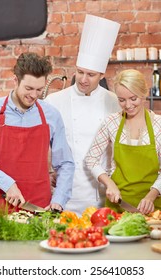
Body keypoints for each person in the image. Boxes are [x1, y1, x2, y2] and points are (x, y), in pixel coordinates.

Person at [0, 52, 75, 216]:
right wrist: (6, 183)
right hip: (1, 206)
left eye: (39, 90)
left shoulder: (51, 115)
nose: (33, 95)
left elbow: (66, 163)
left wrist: (58, 200)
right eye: (29, 88)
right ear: (15, 80)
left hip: (40, 208)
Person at [45, 14, 121, 216]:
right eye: (80, 72)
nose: (83, 79)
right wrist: (48, 171)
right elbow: (43, 143)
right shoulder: (54, 101)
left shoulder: (114, 101)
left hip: (101, 192)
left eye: (91, 74)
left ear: (102, 75)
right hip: (65, 192)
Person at [85, 69, 161, 215]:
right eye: (122, 100)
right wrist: (110, 184)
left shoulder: (159, 125)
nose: (128, 105)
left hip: (154, 208)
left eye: (133, 98)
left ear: (144, 94)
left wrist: (151, 196)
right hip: (118, 206)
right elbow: (91, 159)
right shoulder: (111, 122)